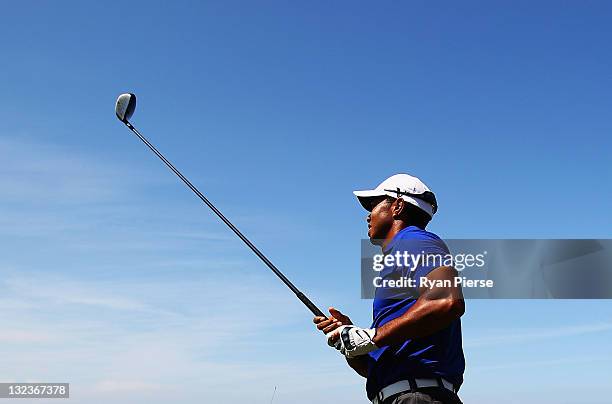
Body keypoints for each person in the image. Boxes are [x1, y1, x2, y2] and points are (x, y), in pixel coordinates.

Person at [314, 174, 465, 404]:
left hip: (416, 398)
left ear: (398, 206)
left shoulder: (414, 240)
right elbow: (371, 368)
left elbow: (446, 301)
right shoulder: (401, 255)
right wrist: (348, 338)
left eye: (374, 204)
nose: (368, 215)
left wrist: (372, 336)